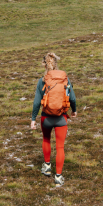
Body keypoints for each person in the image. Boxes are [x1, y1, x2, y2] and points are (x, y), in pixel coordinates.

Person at [30, 52, 77, 187]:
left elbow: (36, 102)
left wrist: (33, 118)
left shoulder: (42, 80)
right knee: (60, 146)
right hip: (61, 118)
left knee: (46, 139)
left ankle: (47, 166)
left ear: (44, 64)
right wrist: (74, 111)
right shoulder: (65, 80)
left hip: (46, 118)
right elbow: (72, 98)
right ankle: (58, 177)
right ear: (56, 64)